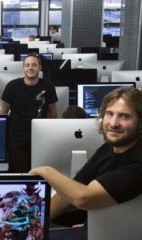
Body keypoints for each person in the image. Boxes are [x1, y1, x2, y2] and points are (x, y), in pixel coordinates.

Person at [29, 87, 142, 239]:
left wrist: (47, 171)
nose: (114, 123)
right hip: (100, 229)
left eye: (124, 116)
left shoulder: (138, 162)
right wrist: (31, 224)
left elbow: (83, 198)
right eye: (109, 114)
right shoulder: (108, 149)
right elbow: (68, 194)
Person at [1, 53, 58, 173]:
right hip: (17, 137)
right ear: (23, 68)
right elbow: (3, 113)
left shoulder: (48, 86)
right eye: (27, 65)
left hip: (39, 137)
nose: (30, 68)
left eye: (34, 65)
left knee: (38, 172)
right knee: (20, 173)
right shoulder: (12, 86)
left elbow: (53, 113)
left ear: (40, 67)